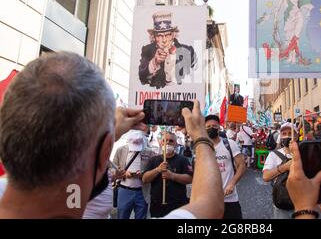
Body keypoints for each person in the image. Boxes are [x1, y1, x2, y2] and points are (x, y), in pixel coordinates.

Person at [0, 52, 223, 219]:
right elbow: (210, 205)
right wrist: (201, 138)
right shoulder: (75, 195)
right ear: (105, 151)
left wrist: (104, 133)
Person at [138, 11, 197, 89]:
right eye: (160, 36)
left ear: (172, 35)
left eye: (167, 35)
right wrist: (154, 62)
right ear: (154, 37)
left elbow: (197, 74)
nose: (164, 40)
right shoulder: (147, 50)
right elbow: (141, 77)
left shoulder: (188, 51)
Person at [142, 131, 193, 217]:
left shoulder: (183, 160)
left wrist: (172, 176)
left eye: (171, 141)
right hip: (157, 205)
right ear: (161, 142)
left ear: (176, 144)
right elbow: (144, 179)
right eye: (165, 140)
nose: (168, 142)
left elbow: (190, 179)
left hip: (178, 205)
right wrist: (157, 170)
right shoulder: (154, 160)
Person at [205, 114, 246, 219]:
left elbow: (241, 165)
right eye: (208, 127)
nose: (211, 128)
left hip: (229, 199)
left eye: (214, 126)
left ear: (219, 127)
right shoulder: (201, 148)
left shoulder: (230, 144)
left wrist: (232, 183)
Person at [113, 131, 154, 219]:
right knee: (122, 216)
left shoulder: (149, 152)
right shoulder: (121, 150)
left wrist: (143, 174)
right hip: (125, 190)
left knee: (141, 216)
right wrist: (123, 173)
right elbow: (113, 168)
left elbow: (153, 169)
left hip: (142, 191)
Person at [262, 123, 296, 218]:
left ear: (296, 136)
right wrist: (284, 167)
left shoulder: (304, 153)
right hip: (282, 202)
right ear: (280, 137)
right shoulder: (274, 155)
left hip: (302, 204)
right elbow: (265, 177)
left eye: (291, 133)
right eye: (284, 134)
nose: (288, 136)